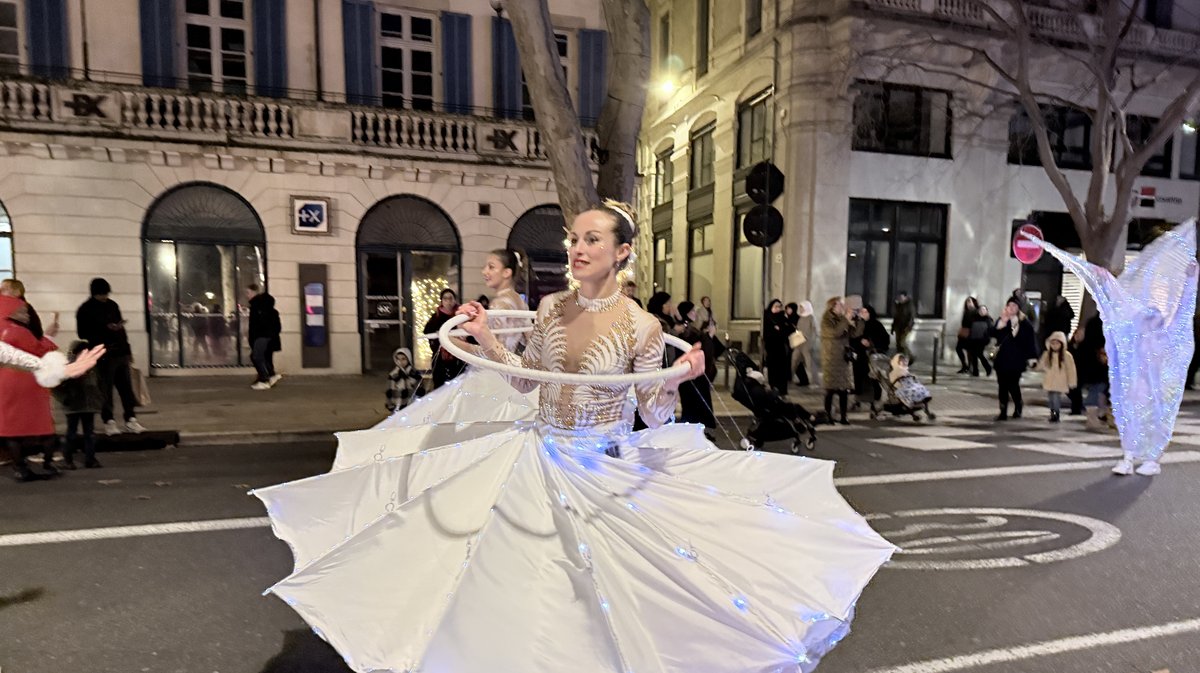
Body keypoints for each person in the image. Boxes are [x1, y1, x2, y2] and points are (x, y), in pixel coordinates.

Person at [253, 200, 895, 672]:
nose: (577, 249)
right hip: (533, 454)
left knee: (588, 596)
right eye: (573, 239)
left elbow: (655, 417)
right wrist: (483, 335)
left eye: (592, 239)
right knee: (509, 582)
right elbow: (525, 381)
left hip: (597, 467)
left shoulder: (642, 326)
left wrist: (680, 377)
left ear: (622, 252)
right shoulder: (552, 307)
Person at [0, 294, 60, 481]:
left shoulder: (3, 329)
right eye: (22, 312)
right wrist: (49, 335)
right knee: (44, 424)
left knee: (12, 428)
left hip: (6, 380)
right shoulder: (19, 331)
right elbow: (39, 351)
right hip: (26, 379)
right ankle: (47, 464)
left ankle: (20, 467)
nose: (26, 315)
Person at [77, 278, 144, 435]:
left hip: (120, 352)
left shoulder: (112, 305)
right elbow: (82, 333)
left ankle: (131, 419)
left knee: (126, 389)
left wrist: (127, 350)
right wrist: (105, 328)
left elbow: (122, 331)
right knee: (105, 390)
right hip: (103, 354)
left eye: (106, 294)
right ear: (95, 293)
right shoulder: (86, 309)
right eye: (102, 294)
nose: (105, 297)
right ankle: (109, 421)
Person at [53, 341, 104, 469]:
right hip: (74, 404)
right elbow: (56, 386)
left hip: (89, 404)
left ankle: (90, 459)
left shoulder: (92, 367)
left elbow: (99, 383)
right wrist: (65, 398)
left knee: (89, 433)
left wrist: (100, 398)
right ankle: (68, 460)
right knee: (72, 433)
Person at [990, 298, 1038, 421]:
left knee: (1013, 385)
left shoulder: (1024, 323)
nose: (1011, 308)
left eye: (1014, 306)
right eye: (1009, 305)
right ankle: (1003, 411)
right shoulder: (1002, 320)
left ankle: (1018, 405)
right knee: (1002, 386)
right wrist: (1002, 323)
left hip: (1017, 359)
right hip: (1002, 359)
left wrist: (1032, 357)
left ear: (1018, 308)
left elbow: (1030, 341)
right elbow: (992, 334)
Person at [674, 300, 718, 437]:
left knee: (694, 402)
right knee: (694, 402)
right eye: (692, 311)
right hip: (692, 373)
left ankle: (696, 431)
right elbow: (696, 347)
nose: (695, 313)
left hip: (693, 372)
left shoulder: (688, 328)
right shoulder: (685, 329)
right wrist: (709, 336)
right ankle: (693, 433)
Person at [820, 296, 861, 425]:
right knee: (830, 389)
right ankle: (828, 416)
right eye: (840, 304)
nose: (843, 307)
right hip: (831, 358)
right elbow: (835, 333)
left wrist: (859, 320)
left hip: (843, 357)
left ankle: (843, 416)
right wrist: (845, 319)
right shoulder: (826, 319)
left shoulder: (842, 318)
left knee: (844, 389)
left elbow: (854, 334)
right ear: (833, 306)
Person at [480, 249, 531, 352]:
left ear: (506, 272)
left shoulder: (500, 303)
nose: (484, 272)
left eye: (491, 267)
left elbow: (497, 349)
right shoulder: (519, 300)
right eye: (485, 267)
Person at [422, 289, 466, 390]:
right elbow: (427, 331)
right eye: (445, 299)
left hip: (458, 355)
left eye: (451, 298)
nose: (448, 302)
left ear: (455, 300)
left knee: (458, 385)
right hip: (440, 358)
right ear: (441, 301)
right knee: (440, 386)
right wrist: (439, 334)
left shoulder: (460, 314)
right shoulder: (436, 316)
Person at [852, 305, 889, 410]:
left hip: (871, 356)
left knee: (872, 378)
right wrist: (860, 341)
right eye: (861, 312)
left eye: (865, 312)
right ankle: (858, 400)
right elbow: (852, 337)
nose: (862, 314)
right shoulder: (858, 324)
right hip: (860, 356)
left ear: (870, 313)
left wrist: (871, 343)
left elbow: (885, 339)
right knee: (859, 378)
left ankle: (874, 400)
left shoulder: (876, 324)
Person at [247, 284, 282, 390]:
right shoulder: (269, 309)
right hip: (268, 336)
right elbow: (277, 326)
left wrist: (260, 335)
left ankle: (264, 379)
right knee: (265, 357)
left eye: (248, 292)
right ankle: (270, 376)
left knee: (257, 356)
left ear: (254, 292)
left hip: (262, 336)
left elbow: (257, 324)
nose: (247, 295)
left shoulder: (257, 307)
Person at [1036, 331, 1076, 424]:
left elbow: (1071, 370)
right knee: (1051, 399)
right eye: (1052, 343)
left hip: (1060, 381)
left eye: (1057, 343)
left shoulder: (1067, 356)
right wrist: (1036, 366)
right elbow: (1041, 365)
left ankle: (1055, 414)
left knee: (1056, 398)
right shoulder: (1047, 354)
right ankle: (1053, 413)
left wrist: (1072, 382)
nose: (1054, 346)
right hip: (1050, 380)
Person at [762, 299, 794, 395]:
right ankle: (774, 387)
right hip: (771, 346)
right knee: (772, 368)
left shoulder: (782, 317)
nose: (778, 309)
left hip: (781, 346)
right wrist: (775, 330)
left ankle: (782, 390)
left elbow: (790, 329)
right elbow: (765, 332)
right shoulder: (767, 317)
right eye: (775, 306)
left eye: (779, 306)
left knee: (782, 369)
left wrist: (781, 329)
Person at [384, 347, 423, 412]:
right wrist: (390, 405)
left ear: (408, 359)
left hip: (412, 406)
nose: (400, 362)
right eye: (398, 359)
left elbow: (420, 390)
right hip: (397, 406)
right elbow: (389, 391)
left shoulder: (414, 374)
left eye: (403, 359)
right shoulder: (393, 374)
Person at [793, 300, 817, 386]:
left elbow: (814, 331)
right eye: (800, 308)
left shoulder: (811, 318)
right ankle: (790, 378)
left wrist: (811, 342)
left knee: (809, 363)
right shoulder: (801, 317)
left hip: (807, 343)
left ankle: (814, 381)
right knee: (794, 360)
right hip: (799, 342)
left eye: (802, 307)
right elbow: (798, 330)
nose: (801, 309)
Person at [967, 305, 994, 377]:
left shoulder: (988, 319)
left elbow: (990, 330)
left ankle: (988, 368)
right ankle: (976, 371)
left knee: (979, 353)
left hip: (982, 339)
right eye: (981, 310)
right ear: (978, 311)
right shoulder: (974, 318)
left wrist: (986, 337)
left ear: (986, 311)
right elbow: (970, 328)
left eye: (984, 310)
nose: (982, 311)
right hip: (973, 339)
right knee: (974, 355)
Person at [955, 297, 978, 374]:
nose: (969, 304)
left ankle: (970, 367)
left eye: (970, 302)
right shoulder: (966, 312)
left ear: (974, 303)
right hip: (964, 333)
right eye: (967, 302)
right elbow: (963, 323)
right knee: (958, 348)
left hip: (972, 334)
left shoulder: (976, 312)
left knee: (970, 351)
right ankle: (964, 366)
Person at [891, 291, 914, 361]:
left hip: (905, 327)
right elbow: (896, 317)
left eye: (901, 297)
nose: (900, 299)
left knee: (902, 343)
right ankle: (899, 358)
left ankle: (911, 356)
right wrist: (893, 328)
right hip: (898, 327)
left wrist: (908, 327)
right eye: (899, 297)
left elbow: (911, 317)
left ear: (905, 297)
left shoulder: (909, 305)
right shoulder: (898, 305)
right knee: (898, 344)